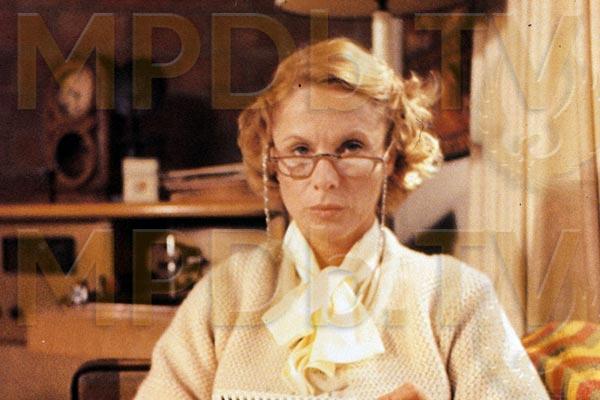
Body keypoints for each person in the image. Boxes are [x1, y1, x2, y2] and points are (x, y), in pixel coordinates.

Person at [135, 38, 549, 399]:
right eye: (300, 150)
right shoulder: (223, 296)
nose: (325, 178)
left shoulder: (457, 297)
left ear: (390, 157)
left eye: (351, 146)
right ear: (272, 160)